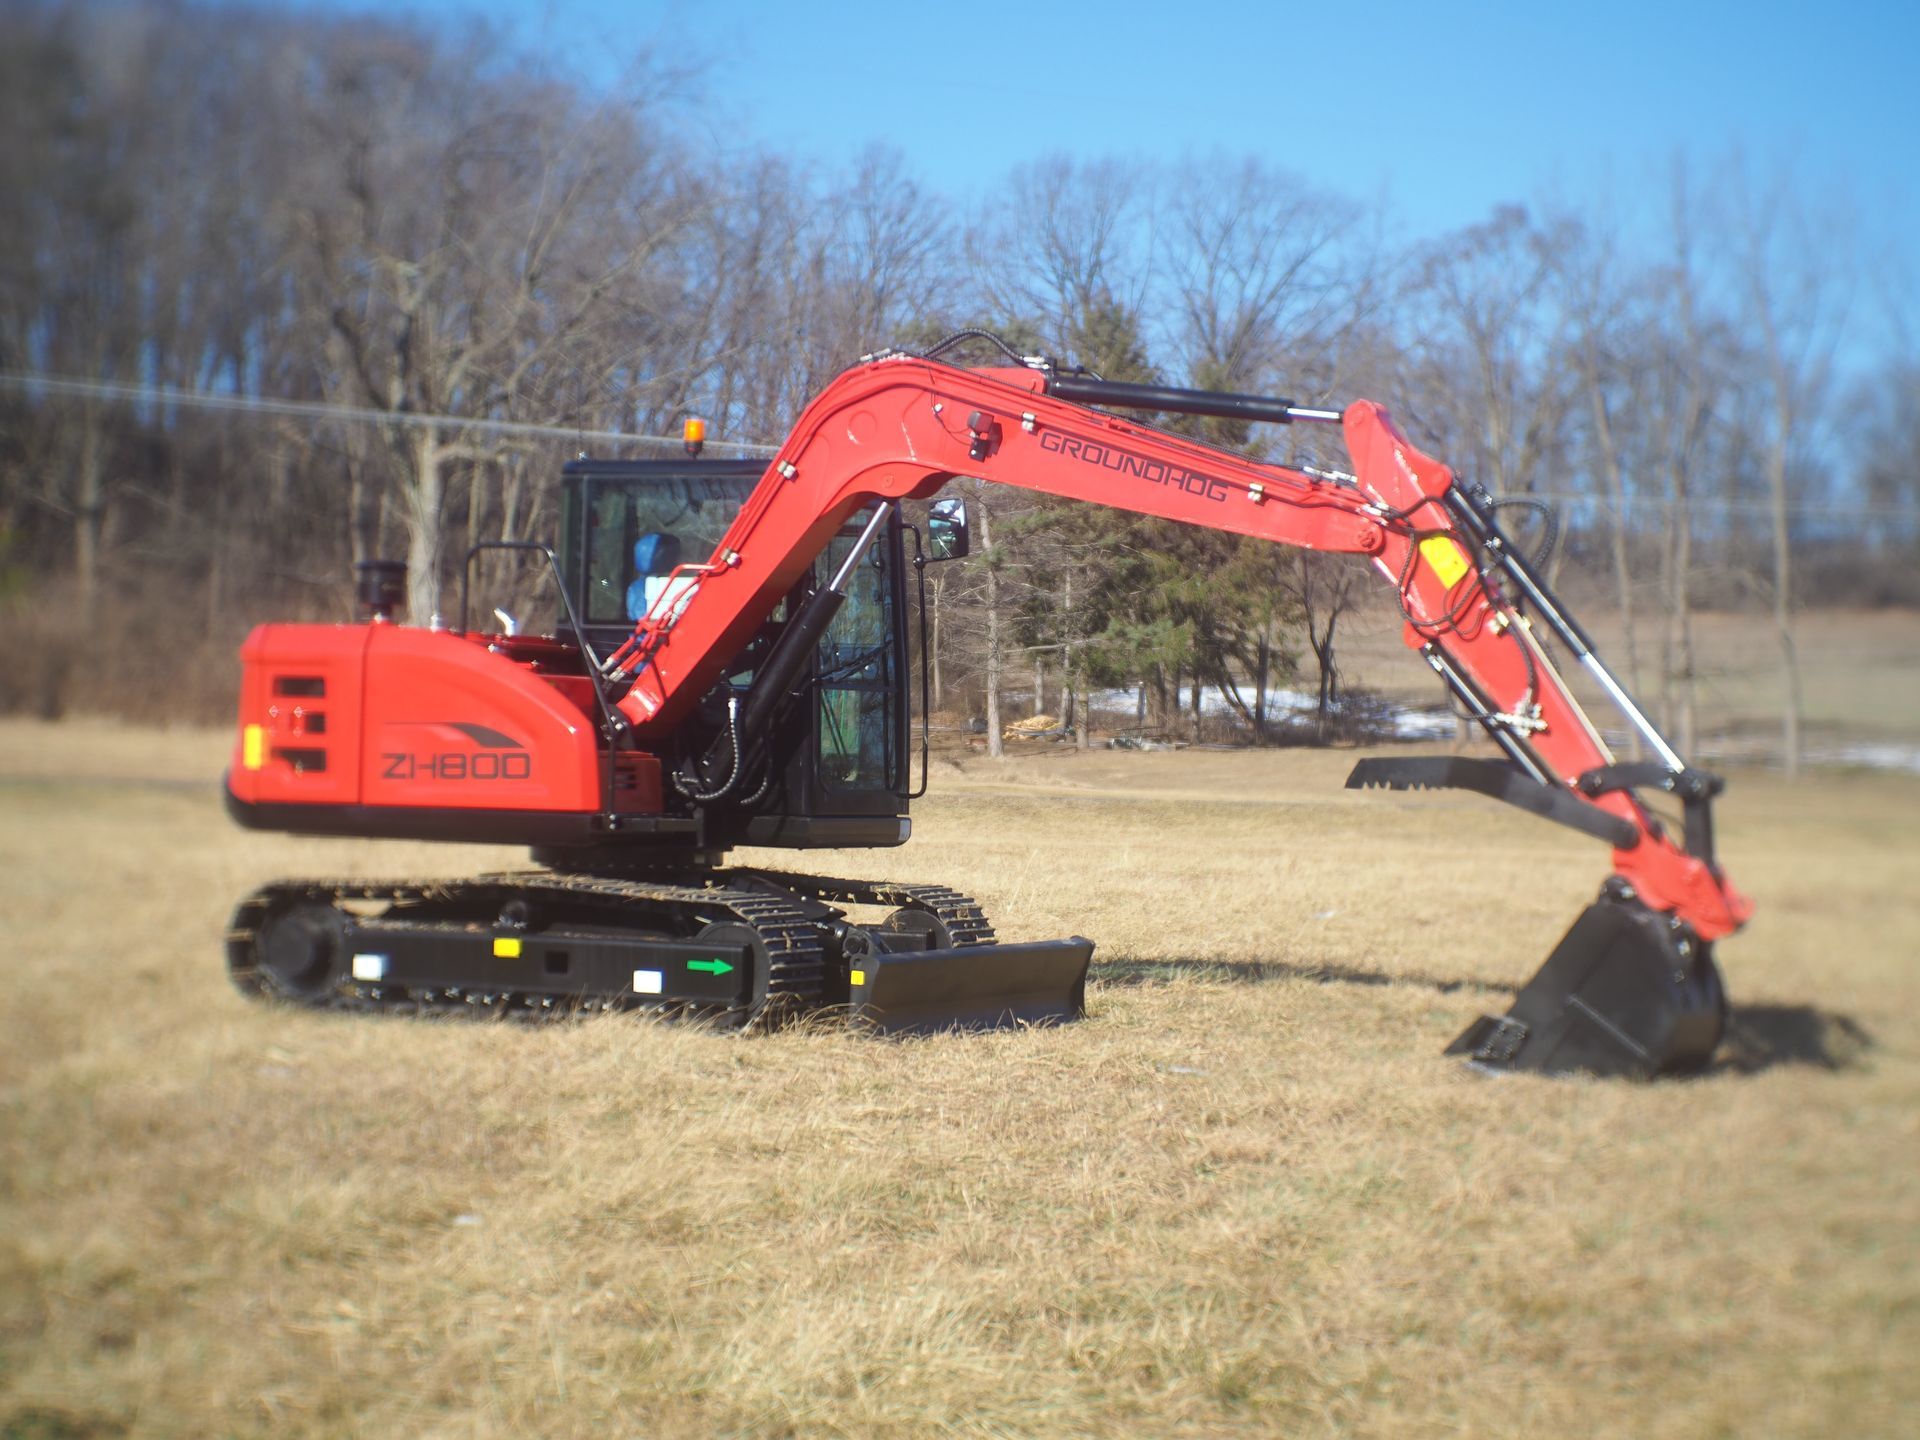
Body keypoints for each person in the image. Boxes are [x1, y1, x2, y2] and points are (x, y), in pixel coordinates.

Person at [625, 533, 695, 624]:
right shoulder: (647, 588)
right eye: (673, 554)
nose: (678, 558)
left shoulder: (636, 587)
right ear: (662, 557)